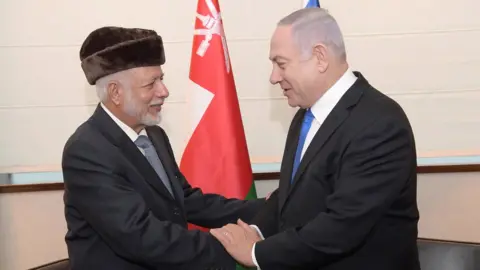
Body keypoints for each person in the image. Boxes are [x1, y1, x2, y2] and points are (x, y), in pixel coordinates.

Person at [211, 7, 421, 270]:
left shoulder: (379, 123)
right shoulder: (305, 114)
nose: (273, 77)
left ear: (320, 57)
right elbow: (292, 194)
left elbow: (343, 225)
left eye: (281, 63)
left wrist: (256, 253)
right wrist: (255, 229)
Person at [62, 26, 265, 270]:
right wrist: (233, 245)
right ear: (116, 92)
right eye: (151, 84)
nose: (164, 91)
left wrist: (267, 208)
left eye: (162, 79)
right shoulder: (87, 151)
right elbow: (140, 236)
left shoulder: (154, 135)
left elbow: (185, 202)